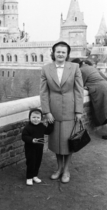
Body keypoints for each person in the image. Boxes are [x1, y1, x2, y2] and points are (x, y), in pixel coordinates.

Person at [40, 41, 84, 183]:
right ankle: (58, 168)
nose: (60, 54)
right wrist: (47, 112)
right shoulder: (46, 69)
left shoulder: (75, 67)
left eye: (63, 52)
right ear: (53, 53)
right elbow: (43, 93)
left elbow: (79, 91)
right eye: (58, 51)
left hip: (70, 111)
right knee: (56, 142)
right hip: (54, 111)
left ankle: (66, 170)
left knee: (68, 142)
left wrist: (78, 111)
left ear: (67, 54)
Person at [71, 58, 107, 139]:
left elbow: (80, 84)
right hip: (104, 86)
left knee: (104, 111)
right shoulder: (90, 67)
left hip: (100, 90)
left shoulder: (81, 70)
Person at [22, 108, 53, 186]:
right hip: (30, 149)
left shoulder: (41, 126)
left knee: (37, 162)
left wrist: (51, 124)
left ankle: (34, 176)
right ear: (30, 118)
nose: (36, 119)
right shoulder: (27, 127)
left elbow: (48, 131)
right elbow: (24, 137)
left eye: (38, 118)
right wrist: (32, 140)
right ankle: (29, 177)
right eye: (33, 117)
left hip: (39, 148)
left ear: (41, 118)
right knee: (31, 162)